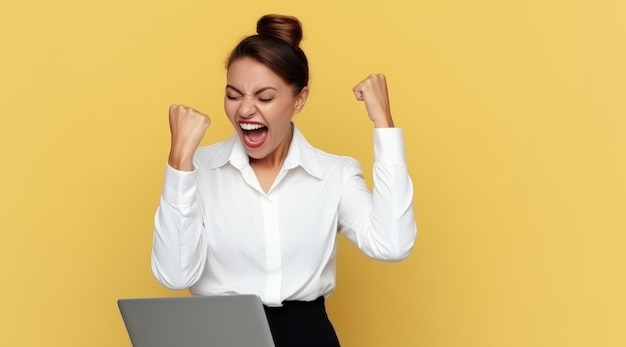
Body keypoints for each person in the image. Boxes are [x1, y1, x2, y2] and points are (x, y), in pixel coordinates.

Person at [151, 14, 417, 347]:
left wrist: (384, 125)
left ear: (299, 100)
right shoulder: (197, 169)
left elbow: (392, 244)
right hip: (217, 336)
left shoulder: (335, 174)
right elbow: (174, 276)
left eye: (264, 98)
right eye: (233, 96)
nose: (245, 110)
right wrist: (179, 161)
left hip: (306, 335)